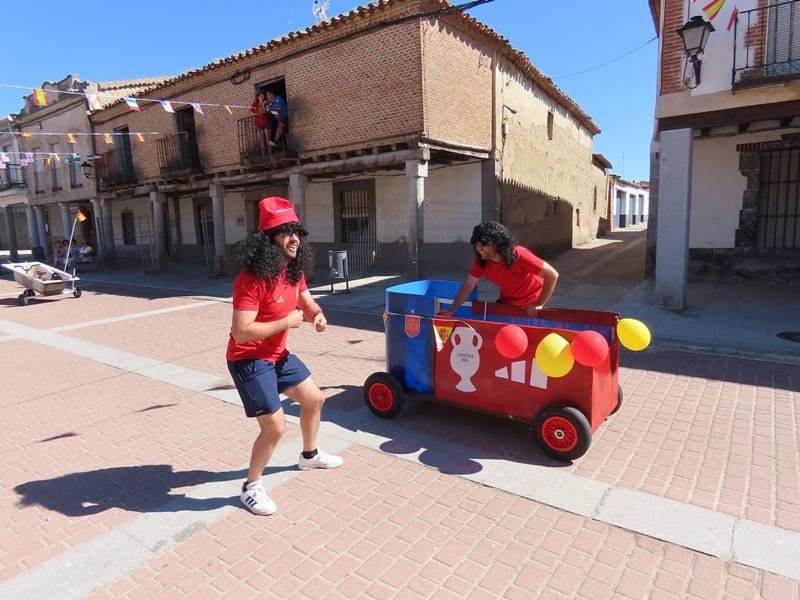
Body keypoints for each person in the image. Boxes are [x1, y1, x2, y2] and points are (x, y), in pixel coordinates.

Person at [227, 196, 342, 516]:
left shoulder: (293, 271)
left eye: (297, 231)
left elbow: (306, 303)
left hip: (277, 355)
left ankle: (309, 455)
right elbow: (242, 332)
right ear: (268, 241)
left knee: (315, 399)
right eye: (285, 232)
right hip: (248, 358)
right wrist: (286, 321)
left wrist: (316, 314)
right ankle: (250, 487)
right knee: (275, 427)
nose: (294, 238)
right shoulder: (249, 281)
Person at [440, 221, 559, 317]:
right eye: (476, 244)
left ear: (497, 243)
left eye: (484, 244)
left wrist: (539, 303)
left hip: (531, 303)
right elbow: (468, 286)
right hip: (507, 302)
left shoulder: (520, 255)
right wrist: (452, 309)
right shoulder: (482, 260)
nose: (479, 248)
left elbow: (552, 275)